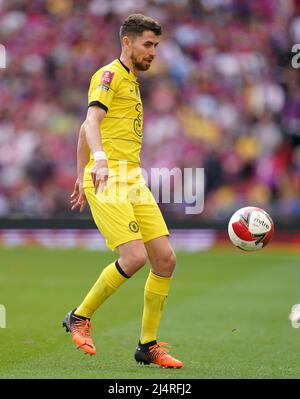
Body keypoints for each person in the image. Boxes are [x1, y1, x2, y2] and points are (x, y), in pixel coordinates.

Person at [62, 14, 183, 369]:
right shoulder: (109, 75)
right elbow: (90, 122)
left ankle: (147, 345)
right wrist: (95, 163)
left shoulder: (132, 82)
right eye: (148, 44)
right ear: (127, 43)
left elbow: (84, 131)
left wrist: (77, 173)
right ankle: (79, 316)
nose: (153, 52)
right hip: (108, 178)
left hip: (132, 180)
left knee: (165, 259)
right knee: (134, 258)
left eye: (156, 46)